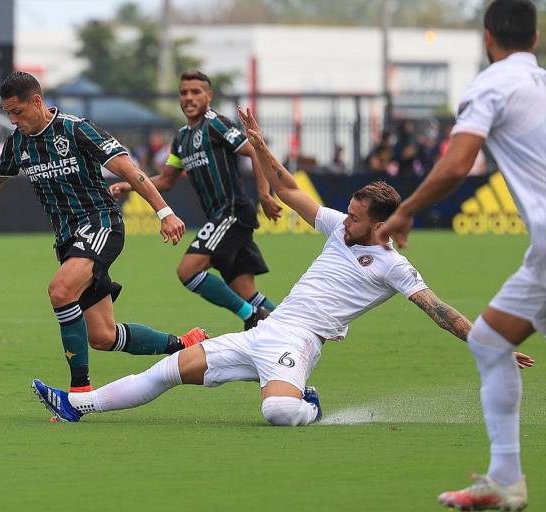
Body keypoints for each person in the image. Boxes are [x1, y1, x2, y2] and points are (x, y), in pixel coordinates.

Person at [31, 106, 534, 430]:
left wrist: (490, 346)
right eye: (348, 213)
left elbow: (439, 311)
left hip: (300, 343)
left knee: (277, 412)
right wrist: (260, 144)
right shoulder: (339, 227)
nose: (346, 221)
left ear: (380, 224)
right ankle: (78, 404)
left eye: (356, 218)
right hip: (266, 331)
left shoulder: (394, 267)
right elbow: (291, 190)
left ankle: (308, 403)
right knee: (166, 372)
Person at [0, 71, 208, 392]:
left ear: (37, 101)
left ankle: (79, 392)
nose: (13, 120)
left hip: (101, 224)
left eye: (17, 112)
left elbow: (128, 169)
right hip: (68, 240)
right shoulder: (18, 142)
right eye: (8, 113)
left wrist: (165, 212)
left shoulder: (76, 129)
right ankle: (185, 344)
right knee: (103, 336)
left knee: (61, 290)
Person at [377, 2, 544, 510]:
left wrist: (405, 211)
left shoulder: (491, 85)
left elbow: (455, 165)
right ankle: (504, 479)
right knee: (491, 341)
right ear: (535, 37)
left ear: (488, 37)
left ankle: (505, 479)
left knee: (491, 343)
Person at [110, 70, 283, 330]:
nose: (188, 97)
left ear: (208, 96)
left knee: (188, 271)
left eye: (195, 92)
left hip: (232, 213)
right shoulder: (181, 139)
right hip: (221, 217)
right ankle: (294, 328)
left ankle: (251, 316)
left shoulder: (216, 124)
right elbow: (166, 179)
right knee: (247, 292)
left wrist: (265, 195)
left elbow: (256, 152)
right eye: (183, 92)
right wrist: (130, 184)